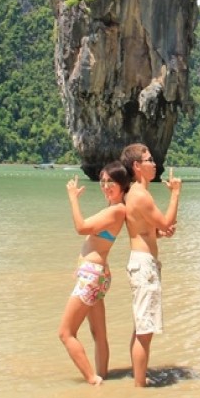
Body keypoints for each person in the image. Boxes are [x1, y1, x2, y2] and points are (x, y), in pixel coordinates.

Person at [57, 161, 132, 385]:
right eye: (104, 180)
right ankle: (103, 377)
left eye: (112, 182)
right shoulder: (115, 210)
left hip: (92, 275)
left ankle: (92, 379)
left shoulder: (117, 210)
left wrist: (72, 198)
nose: (106, 185)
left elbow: (81, 228)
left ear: (123, 186)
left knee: (65, 333)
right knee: (98, 334)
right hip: (95, 275)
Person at [120, 143, 181, 387]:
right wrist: (175, 194)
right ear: (137, 166)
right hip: (144, 267)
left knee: (141, 327)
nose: (154, 164)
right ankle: (139, 388)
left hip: (142, 262)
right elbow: (166, 222)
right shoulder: (141, 195)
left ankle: (140, 378)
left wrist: (159, 234)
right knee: (144, 333)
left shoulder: (134, 192)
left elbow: (147, 231)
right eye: (149, 160)